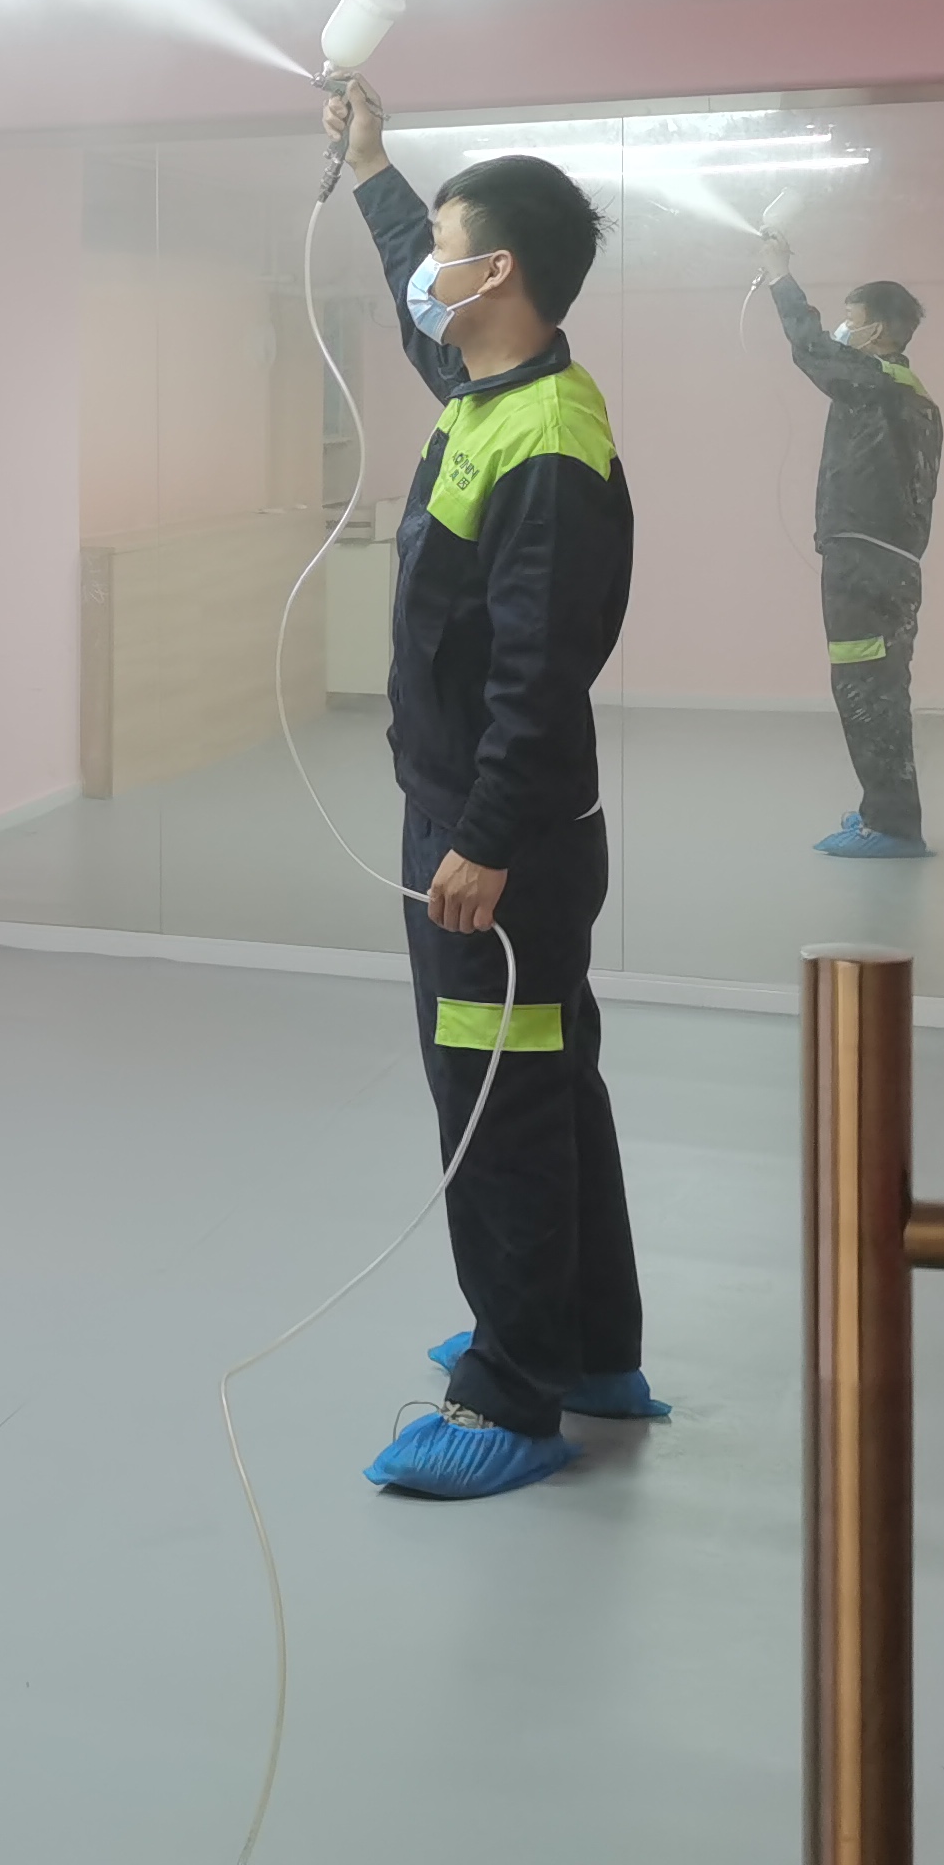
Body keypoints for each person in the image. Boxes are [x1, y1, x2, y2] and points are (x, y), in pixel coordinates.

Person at [325, 79, 665, 1501]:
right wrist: (374, 171)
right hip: (485, 822)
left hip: (496, 844)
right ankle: (588, 1348)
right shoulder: (496, 400)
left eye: (446, 252)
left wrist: (480, 838)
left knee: (497, 1098)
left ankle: (511, 1391)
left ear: (500, 273)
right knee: (549, 1080)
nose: (428, 278)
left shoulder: (548, 445)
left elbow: (538, 672)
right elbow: (424, 318)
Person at [760, 234, 941, 859]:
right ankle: (885, 810)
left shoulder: (876, 384)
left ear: (879, 332)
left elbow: (810, 348)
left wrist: (780, 275)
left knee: (865, 688)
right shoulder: (911, 394)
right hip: (888, 562)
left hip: (863, 563)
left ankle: (891, 826)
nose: (844, 330)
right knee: (881, 685)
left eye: (852, 320)